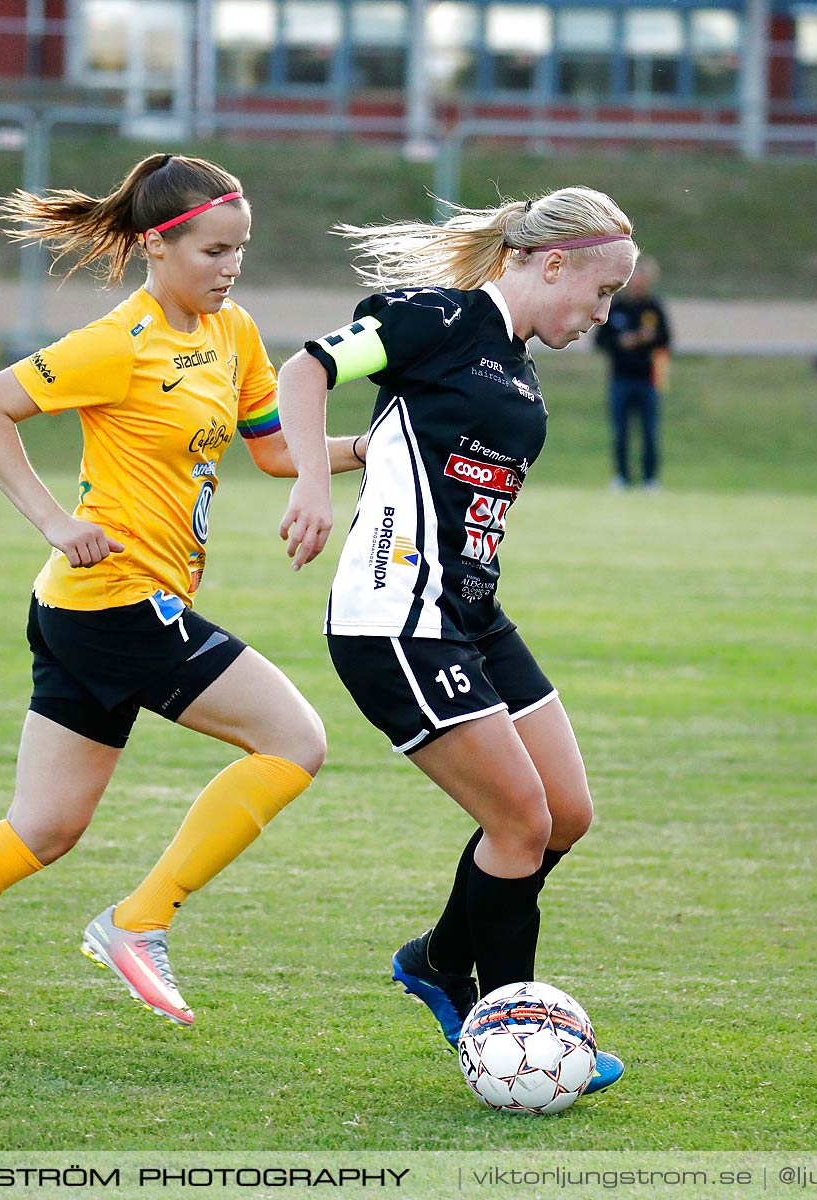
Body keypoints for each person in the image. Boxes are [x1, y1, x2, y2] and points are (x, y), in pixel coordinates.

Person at [0, 153, 369, 1036]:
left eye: (241, 250)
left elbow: (275, 449)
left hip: (86, 612)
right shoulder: (119, 342)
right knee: (294, 740)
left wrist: (370, 451)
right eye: (214, 250)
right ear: (157, 247)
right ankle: (141, 921)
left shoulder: (233, 333)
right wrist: (55, 521)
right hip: (116, 603)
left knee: (44, 829)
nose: (230, 268)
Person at [275, 187, 637, 1096]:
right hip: (396, 618)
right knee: (518, 823)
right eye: (600, 293)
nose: (603, 315)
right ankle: (514, 1028)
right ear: (551, 263)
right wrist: (313, 484)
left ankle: (439, 961)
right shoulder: (437, 319)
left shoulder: (514, 362)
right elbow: (307, 369)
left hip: (473, 615)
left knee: (566, 816)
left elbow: (421, 443)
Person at [593, 257, 670, 490]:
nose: (638, 284)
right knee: (621, 431)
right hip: (621, 379)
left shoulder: (654, 308)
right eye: (635, 279)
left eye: (643, 279)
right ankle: (622, 477)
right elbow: (600, 340)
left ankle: (650, 479)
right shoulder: (617, 307)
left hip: (648, 380)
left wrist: (650, 338)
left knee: (649, 431)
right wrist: (620, 342)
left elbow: (666, 339)